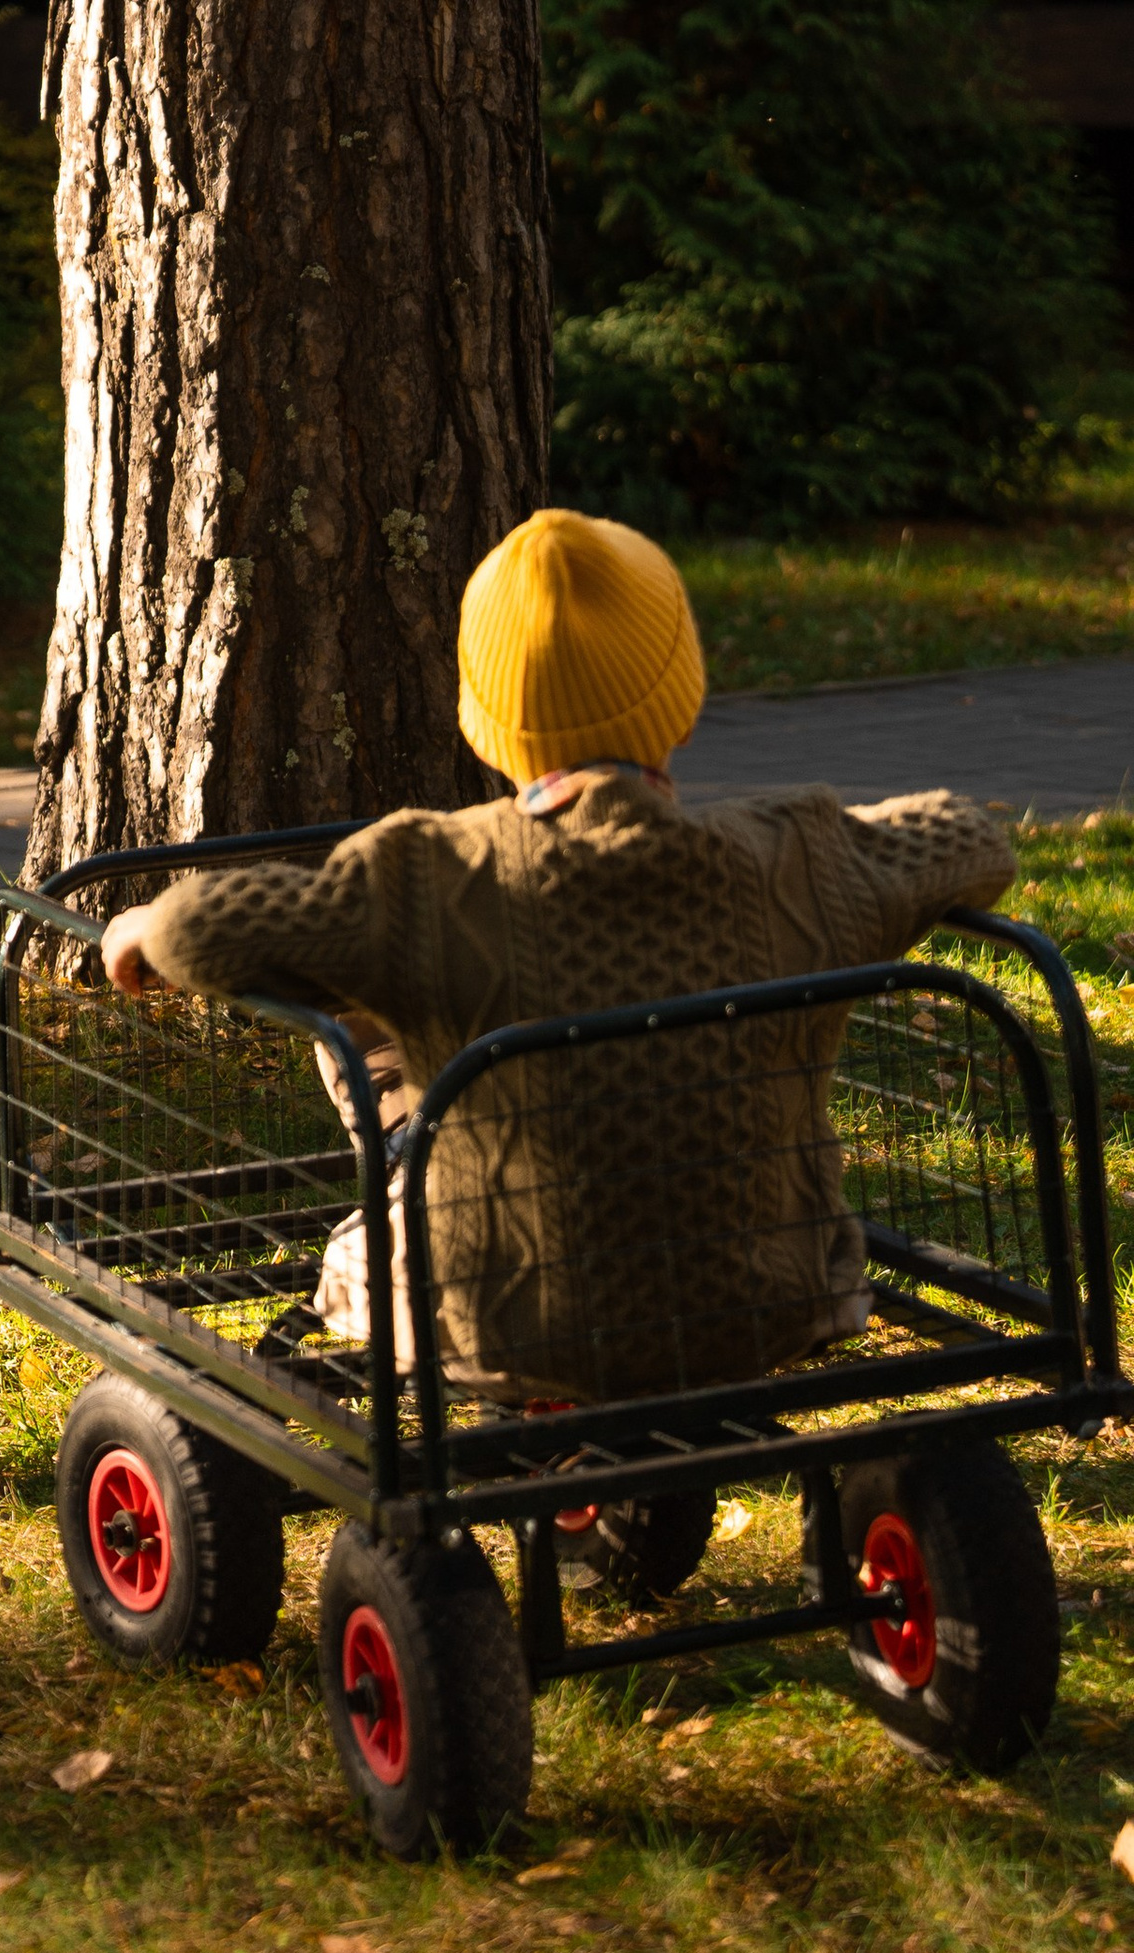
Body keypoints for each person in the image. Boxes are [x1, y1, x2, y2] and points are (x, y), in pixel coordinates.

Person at [98, 508, 1013, 1402]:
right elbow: (974, 843)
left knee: (360, 1031)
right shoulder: (799, 853)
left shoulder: (422, 875)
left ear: (484, 723)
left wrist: (146, 922)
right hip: (773, 1300)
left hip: (500, 1322)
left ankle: (405, 1145)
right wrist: (860, 833)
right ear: (684, 702)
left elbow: (209, 930)